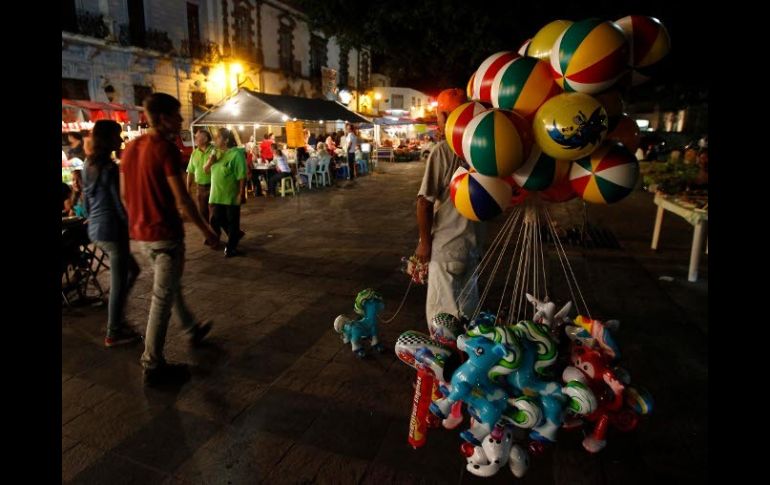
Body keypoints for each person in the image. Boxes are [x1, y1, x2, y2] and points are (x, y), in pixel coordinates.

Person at [120, 92, 221, 387]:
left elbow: (125, 195)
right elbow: (183, 201)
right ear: (163, 118)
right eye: (177, 115)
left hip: (141, 235)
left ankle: (190, 327)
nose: (180, 120)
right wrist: (208, 231)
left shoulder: (130, 147)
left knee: (169, 285)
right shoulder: (165, 150)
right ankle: (153, 364)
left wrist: (139, 218)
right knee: (162, 297)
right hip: (164, 235)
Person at [415, 88, 485, 328]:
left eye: (439, 115)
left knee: (442, 321)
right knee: (468, 317)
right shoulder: (483, 151)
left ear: (447, 117)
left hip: (446, 249)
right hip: (472, 246)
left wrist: (424, 244)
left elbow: (424, 202)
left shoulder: (442, 152)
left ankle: (445, 363)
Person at [82, 120, 143, 347]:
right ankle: (113, 331)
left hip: (95, 229)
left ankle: (118, 319)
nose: (121, 140)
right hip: (112, 230)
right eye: (117, 136)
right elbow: (120, 205)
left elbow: (87, 202)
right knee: (120, 281)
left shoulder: (88, 165)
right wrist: (134, 226)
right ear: (108, 139)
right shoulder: (109, 168)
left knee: (131, 271)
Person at [204, 127, 247, 257]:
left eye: (218, 137)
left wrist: (241, 193)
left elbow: (241, 176)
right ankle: (235, 235)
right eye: (215, 137)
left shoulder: (236, 154)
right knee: (217, 219)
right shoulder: (215, 153)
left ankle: (231, 248)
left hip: (230, 195)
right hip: (216, 195)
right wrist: (211, 160)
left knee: (233, 222)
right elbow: (205, 169)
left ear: (226, 140)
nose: (215, 140)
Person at [186, 129, 215, 224]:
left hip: (214, 187)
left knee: (215, 214)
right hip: (200, 188)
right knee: (203, 213)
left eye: (197, 137)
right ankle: (210, 236)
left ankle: (217, 234)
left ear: (205, 139)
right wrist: (188, 188)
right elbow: (190, 171)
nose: (195, 139)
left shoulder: (214, 151)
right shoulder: (194, 153)